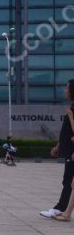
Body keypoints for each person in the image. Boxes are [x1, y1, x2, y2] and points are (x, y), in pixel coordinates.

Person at [41, 79, 74, 218]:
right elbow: (66, 131)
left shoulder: (72, 109)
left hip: (72, 151)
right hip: (68, 149)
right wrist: (58, 146)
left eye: (67, 88)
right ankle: (65, 211)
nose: (65, 90)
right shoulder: (72, 106)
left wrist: (71, 115)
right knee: (70, 181)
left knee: (68, 180)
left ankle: (61, 209)